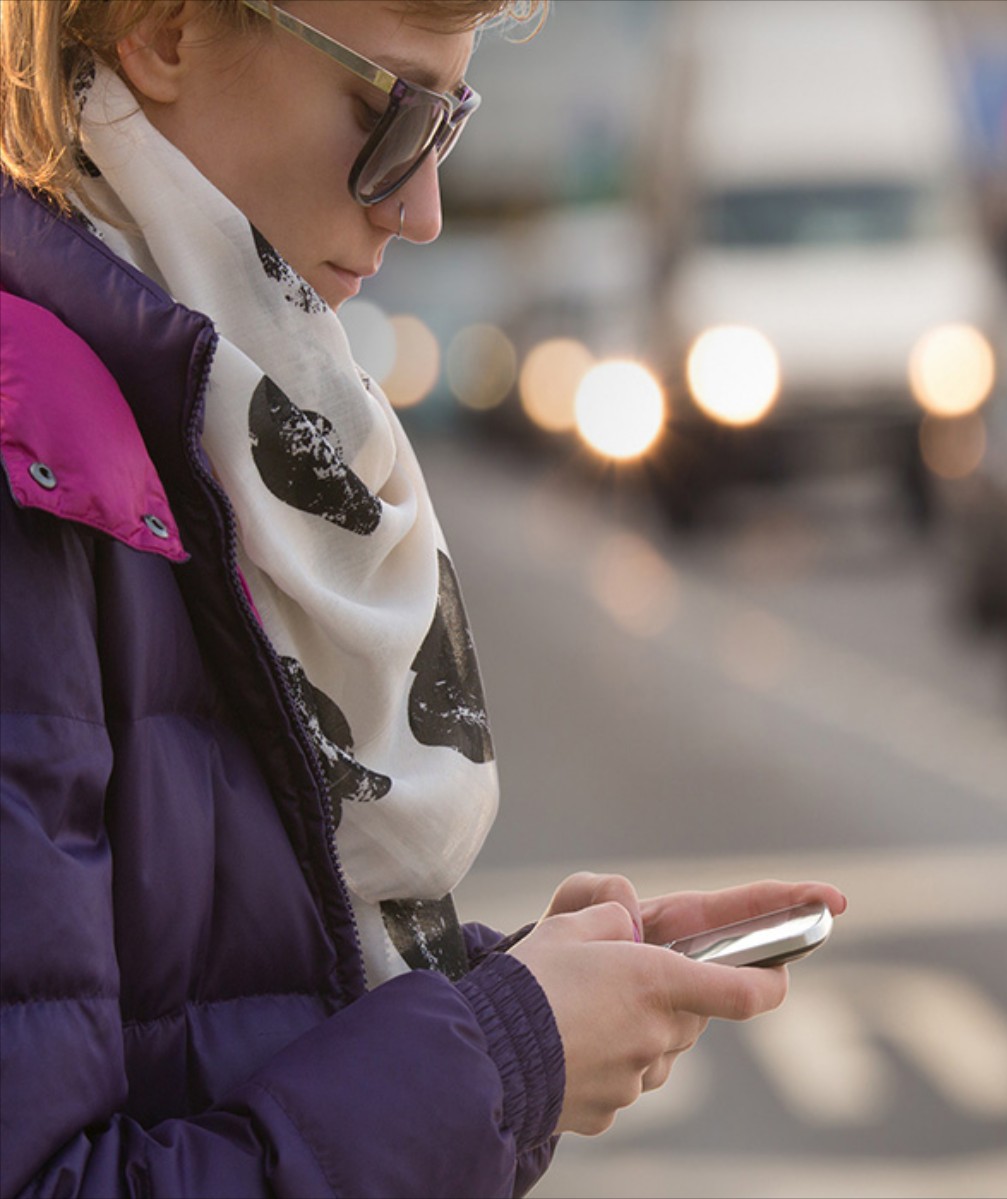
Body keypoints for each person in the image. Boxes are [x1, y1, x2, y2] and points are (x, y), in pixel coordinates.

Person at [0, 2, 846, 1195]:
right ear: (165, 30)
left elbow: (205, 1008)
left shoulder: (205, 426)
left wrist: (532, 985)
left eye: (449, 120)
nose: (423, 205)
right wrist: (509, 1052)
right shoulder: (33, 460)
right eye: (389, 110)